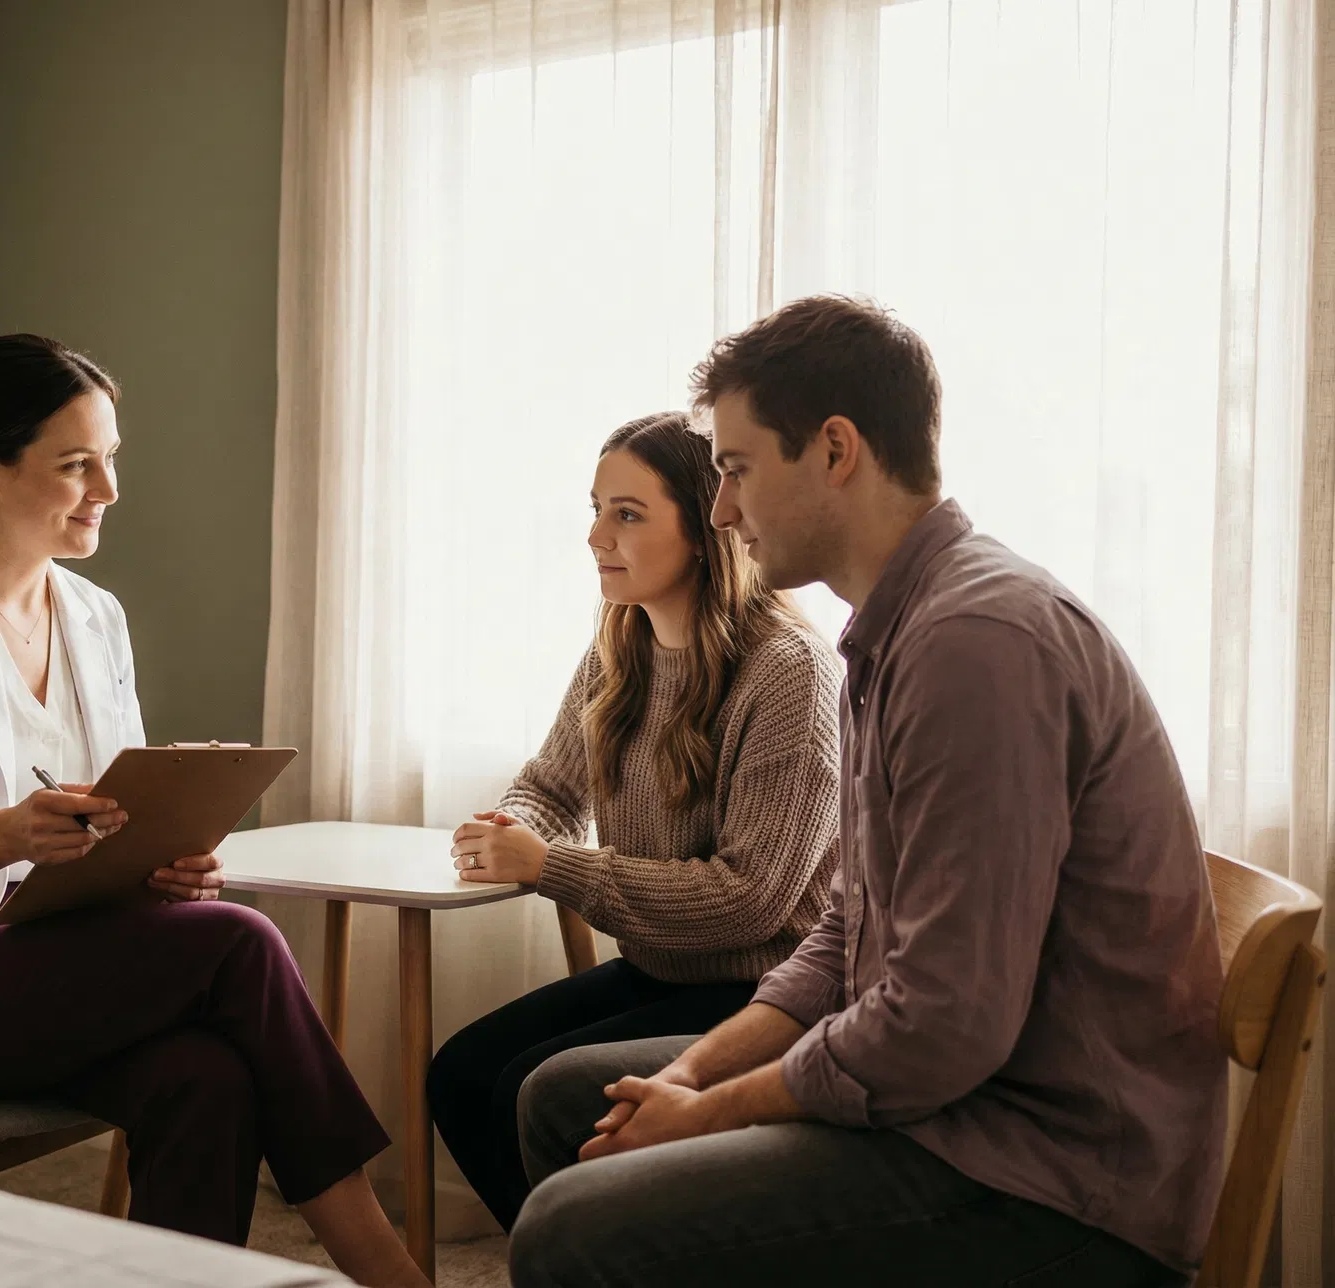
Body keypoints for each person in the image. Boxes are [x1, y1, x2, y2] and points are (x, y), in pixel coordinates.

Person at [509, 296, 1226, 1288]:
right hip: (962, 1108)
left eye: (736, 467)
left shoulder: (977, 644)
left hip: (1051, 1178)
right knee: (564, 1099)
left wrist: (710, 1110)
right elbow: (851, 928)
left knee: (570, 1230)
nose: (723, 510)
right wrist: (692, 1071)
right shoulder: (900, 632)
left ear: (836, 449)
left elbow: (941, 1028)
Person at [0, 335, 430, 1287]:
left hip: (55, 969)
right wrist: (3, 835)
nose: (107, 486)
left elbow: (119, 805)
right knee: (241, 946)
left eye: (111, 457)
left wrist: (163, 865)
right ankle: (383, 1266)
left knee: (208, 1081)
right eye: (77, 464)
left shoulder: (96, 617)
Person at [424, 410, 841, 1233]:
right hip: (663, 968)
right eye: (594, 508)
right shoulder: (622, 646)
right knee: (462, 1073)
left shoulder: (790, 674)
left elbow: (749, 899)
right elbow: (553, 783)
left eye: (627, 513)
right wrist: (512, 825)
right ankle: (562, 1259)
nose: (594, 536)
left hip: (768, 989)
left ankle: (588, 1254)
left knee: (529, 1087)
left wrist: (548, 865)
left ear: (701, 528)